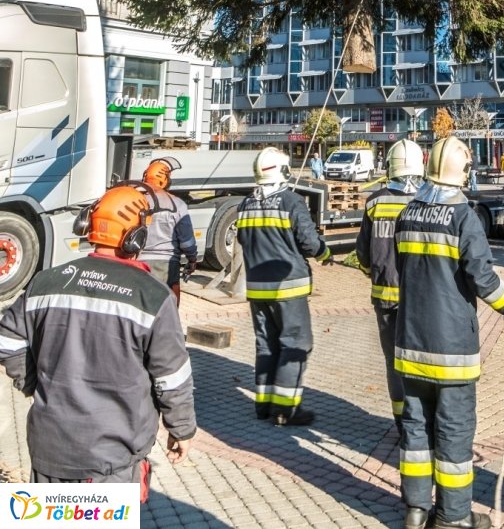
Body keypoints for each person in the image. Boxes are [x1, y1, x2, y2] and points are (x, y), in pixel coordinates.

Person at [0, 184, 196, 497]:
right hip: (110, 459)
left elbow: (7, 342)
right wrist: (181, 429)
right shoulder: (153, 297)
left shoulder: (45, 282)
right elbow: (171, 377)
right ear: (136, 237)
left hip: (49, 448)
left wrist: (33, 382)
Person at [394, 136, 504, 529]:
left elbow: (402, 269)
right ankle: (453, 517)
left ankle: (415, 511)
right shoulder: (464, 217)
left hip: (409, 345)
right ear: (462, 172)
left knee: (415, 429)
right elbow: (481, 276)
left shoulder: (408, 212)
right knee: (453, 434)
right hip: (451, 351)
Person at [236, 147, 333, 425]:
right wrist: (325, 253)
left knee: (266, 345)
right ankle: (285, 410)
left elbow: (244, 240)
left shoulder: (245, 204)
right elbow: (310, 243)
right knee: (296, 344)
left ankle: (263, 405)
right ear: (284, 171)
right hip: (288, 287)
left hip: (257, 288)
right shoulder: (291, 201)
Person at [356, 138, 425, 430]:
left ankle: (401, 423)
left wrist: (373, 270)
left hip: (384, 298)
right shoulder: (427, 202)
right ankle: (421, 421)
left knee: (393, 363)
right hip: (421, 301)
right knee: (421, 361)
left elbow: (362, 254)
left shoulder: (375, 201)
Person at [139, 156, 198, 303]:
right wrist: (192, 259)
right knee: (168, 307)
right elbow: (187, 241)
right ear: (165, 180)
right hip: (166, 265)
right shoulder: (177, 204)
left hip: (138, 262)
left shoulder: (135, 201)